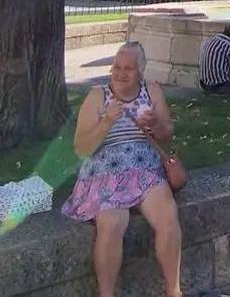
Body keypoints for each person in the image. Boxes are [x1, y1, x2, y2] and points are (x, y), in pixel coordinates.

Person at [63, 42, 182, 297]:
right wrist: (106, 121)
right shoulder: (98, 95)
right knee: (113, 222)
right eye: (117, 66)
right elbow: (81, 148)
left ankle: (173, 291)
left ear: (141, 71)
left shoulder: (152, 91)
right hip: (105, 170)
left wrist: (156, 124)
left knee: (167, 214)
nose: (121, 73)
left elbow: (166, 134)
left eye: (129, 68)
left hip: (144, 169)